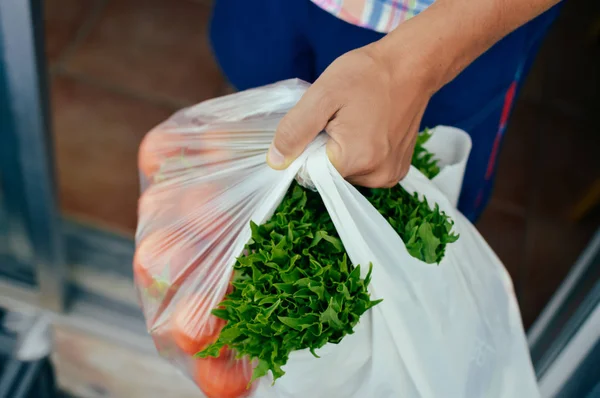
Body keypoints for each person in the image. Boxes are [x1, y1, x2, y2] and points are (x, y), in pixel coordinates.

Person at [209, 0, 562, 221]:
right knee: (258, 116)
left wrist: (412, 66)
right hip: (272, 10)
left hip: (445, 25)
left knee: (421, 196)